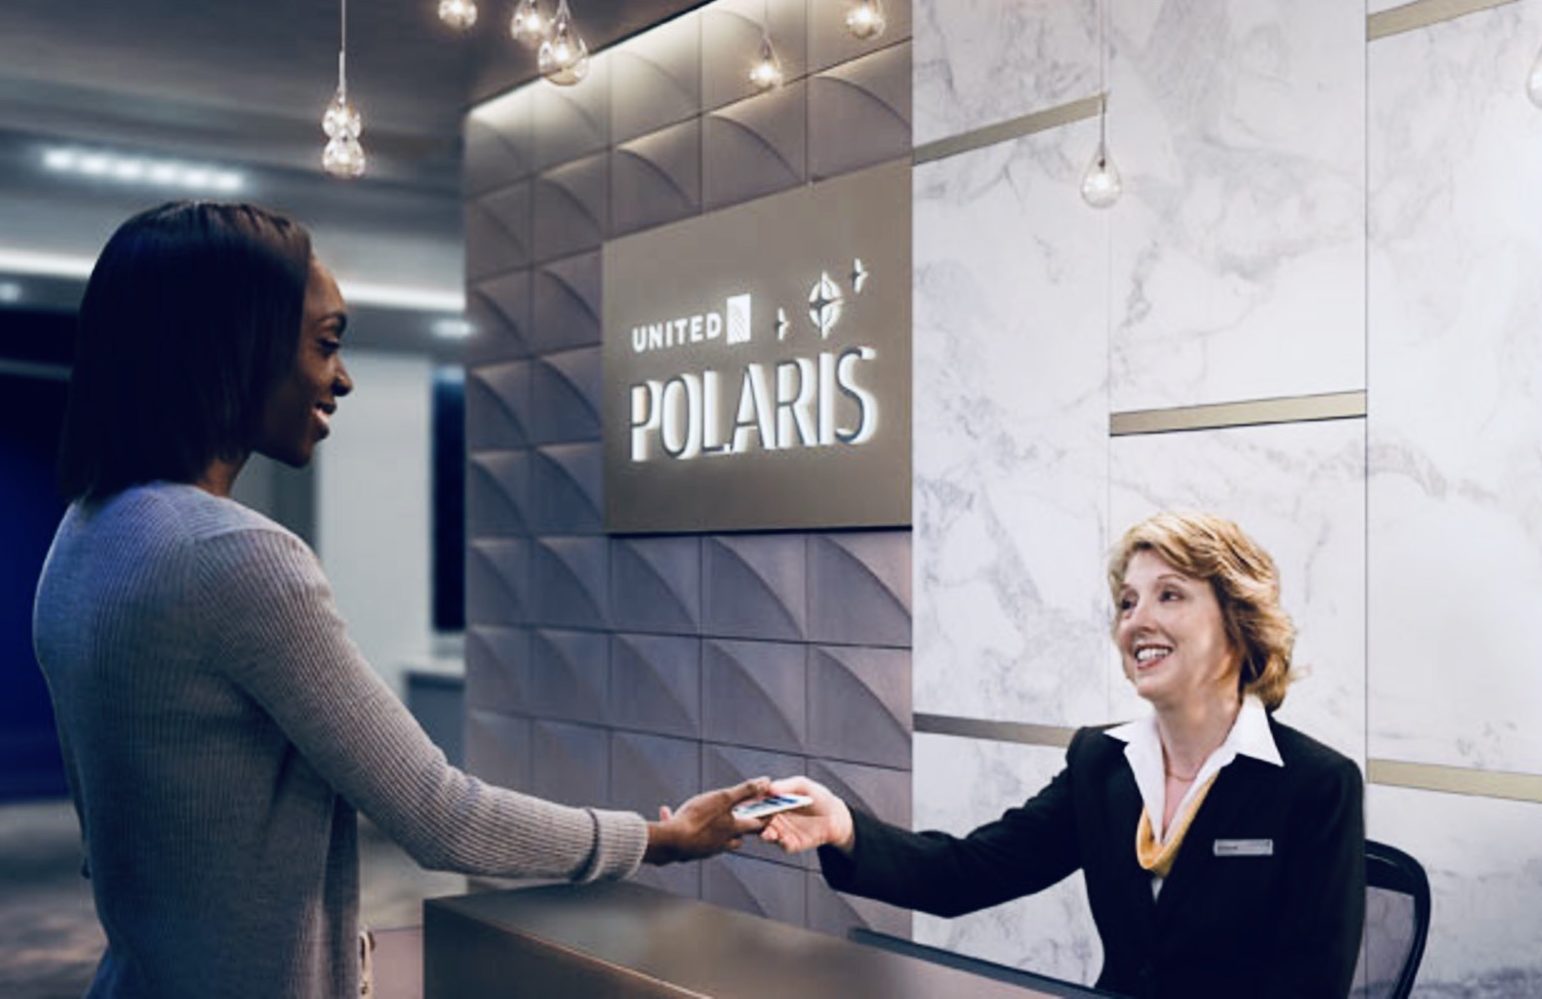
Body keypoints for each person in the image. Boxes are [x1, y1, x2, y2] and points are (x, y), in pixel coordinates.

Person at [32, 201, 768, 998]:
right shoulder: (234, 556)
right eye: (326, 342)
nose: (341, 377)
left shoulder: (83, 537)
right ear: (233, 342)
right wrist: (660, 838)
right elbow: (439, 813)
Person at [763, 512, 1365, 998]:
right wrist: (844, 829)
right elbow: (968, 873)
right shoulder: (1099, 763)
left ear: (1238, 625)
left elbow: (1308, 988)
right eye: (1128, 603)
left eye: (1170, 595)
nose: (1137, 622)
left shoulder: (1316, 786)